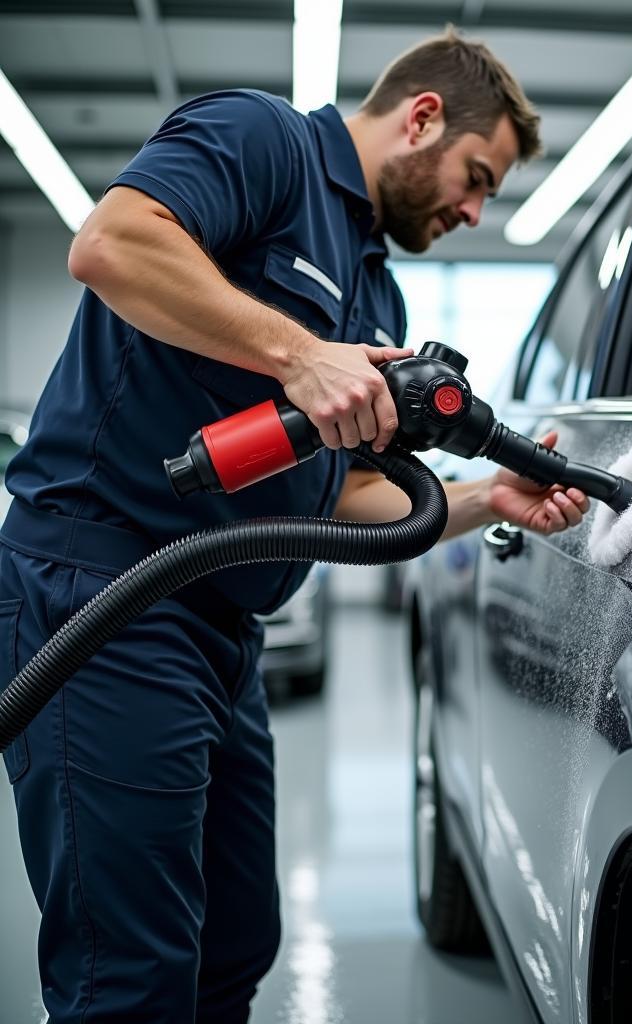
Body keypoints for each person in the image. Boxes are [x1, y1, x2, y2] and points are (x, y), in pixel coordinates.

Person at [0, 28, 589, 1023]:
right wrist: (298, 354)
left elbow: (336, 500)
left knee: (235, 947)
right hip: (106, 595)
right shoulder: (262, 140)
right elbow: (110, 245)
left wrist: (490, 501)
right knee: (131, 981)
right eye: (476, 176)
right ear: (423, 116)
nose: (474, 210)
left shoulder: (376, 287)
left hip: (224, 633)